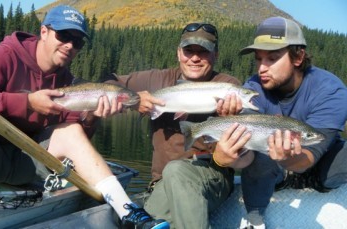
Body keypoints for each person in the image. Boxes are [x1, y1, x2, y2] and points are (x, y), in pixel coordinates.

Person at [0, 5, 169, 229]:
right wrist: (27, 103)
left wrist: (92, 117)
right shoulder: (7, 55)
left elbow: (74, 138)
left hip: (30, 163)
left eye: (78, 41)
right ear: (44, 32)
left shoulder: (69, 82)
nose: (70, 45)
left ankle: (128, 213)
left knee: (71, 131)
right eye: (63, 35)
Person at [106, 22, 252, 228]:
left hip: (212, 177)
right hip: (161, 183)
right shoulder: (158, 79)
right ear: (178, 53)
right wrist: (134, 100)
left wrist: (229, 118)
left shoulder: (227, 86)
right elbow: (108, 83)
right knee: (144, 221)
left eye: (203, 52)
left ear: (216, 55)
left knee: (176, 171)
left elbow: (244, 145)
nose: (194, 58)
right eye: (188, 51)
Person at [237, 16, 347, 228]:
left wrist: (290, 160)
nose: (261, 68)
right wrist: (228, 156)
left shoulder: (331, 91)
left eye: (272, 58)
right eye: (258, 59)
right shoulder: (253, 87)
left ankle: (311, 181)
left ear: (298, 57)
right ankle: (254, 219)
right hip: (272, 164)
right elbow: (247, 153)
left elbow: (312, 152)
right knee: (257, 155)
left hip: (318, 161)